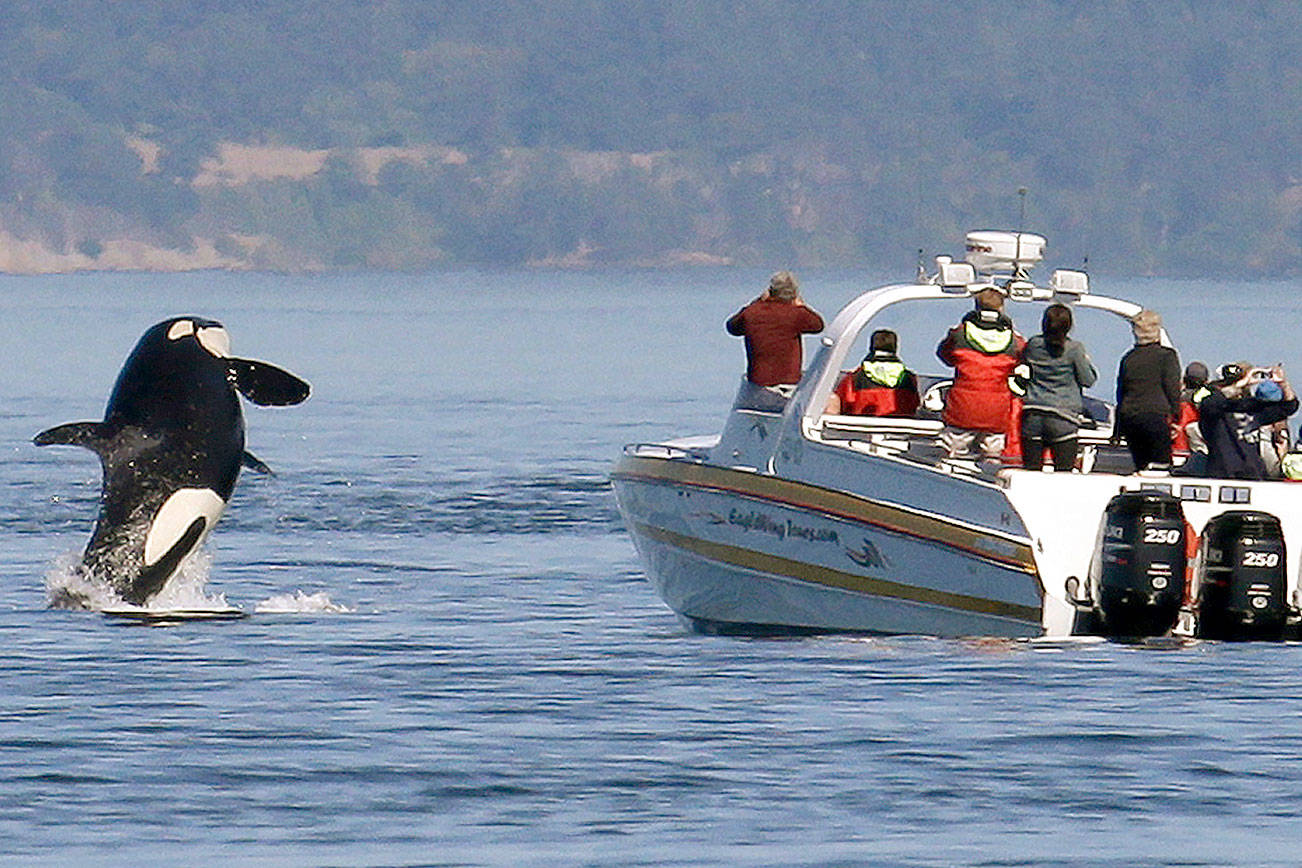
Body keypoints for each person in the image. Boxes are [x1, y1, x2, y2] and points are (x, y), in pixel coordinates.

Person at [936, 287, 1024, 459]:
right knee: (993, 459)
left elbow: (944, 356)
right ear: (1001, 308)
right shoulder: (1015, 341)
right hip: (996, 410)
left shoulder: (959, 334)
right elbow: (1022, 362)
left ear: (976, 307)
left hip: (962, 408)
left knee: (952, 457)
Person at [725, 271, 824, 411]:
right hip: (787, 384)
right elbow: (818, 325)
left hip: (757, 385)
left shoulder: (752, 312)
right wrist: (801, 305)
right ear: (794, 293)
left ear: (771, 291)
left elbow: (732, 327)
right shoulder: (797, 314)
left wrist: (757, 301)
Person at [1016, 304, 1097, 471]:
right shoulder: (1074, 349)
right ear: (1069, 326)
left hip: (1033, 415)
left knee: (1031, 473)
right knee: (1063, 474)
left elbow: (1023, 365)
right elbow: (1088, 380)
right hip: (1063, 417)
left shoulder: (1033, 345)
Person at [1198, 364, 1299, 479]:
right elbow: (1211, 404)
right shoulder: (1213, 410)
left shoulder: (1249, 407)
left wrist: (1283, 384)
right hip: (1223, 475)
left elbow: (1290, 407)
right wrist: (1239, 385)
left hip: (1253, 474)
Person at [1114, 309, 1180, 472]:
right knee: (1161, 467)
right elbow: (1172, 388)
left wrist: (1117, 429)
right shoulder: (1167, 356)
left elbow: (1121, 394)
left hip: (1130, 417)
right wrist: (1177, 414)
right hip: (1155, 417)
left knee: (1141, 466)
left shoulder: (1128, 358)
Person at [826, 329, 920, 417]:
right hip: (901, 432)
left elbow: (841, 402)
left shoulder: (855, 378)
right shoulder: (909, 379)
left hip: (861, 432)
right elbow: (915, 405)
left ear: (871, 346)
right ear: (895, 347)